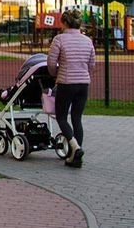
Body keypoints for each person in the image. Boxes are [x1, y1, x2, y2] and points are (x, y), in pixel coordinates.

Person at [47, 10, 96, 168]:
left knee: (61, 117)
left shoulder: (59, 39)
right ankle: (75, 159)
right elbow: (92, 64)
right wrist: (84, 74)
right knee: (77, 118)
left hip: (66, 82)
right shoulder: (87, 41)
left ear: (65, 23)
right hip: (83, 84)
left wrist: (55, 74)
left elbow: (51, 63)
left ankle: (75, 148)